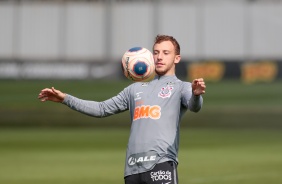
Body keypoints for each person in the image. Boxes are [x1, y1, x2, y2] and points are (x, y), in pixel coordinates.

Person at [38, 34, 206, 184]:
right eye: (156, 52)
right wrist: (65, 99)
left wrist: (197, 95)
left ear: (177, 58)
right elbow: (101, 109)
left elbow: (194, 106)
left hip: (161, 164)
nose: (159, 57)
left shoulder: (181, 87)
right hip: (132, 168)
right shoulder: (134, 89)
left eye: (165, 53)